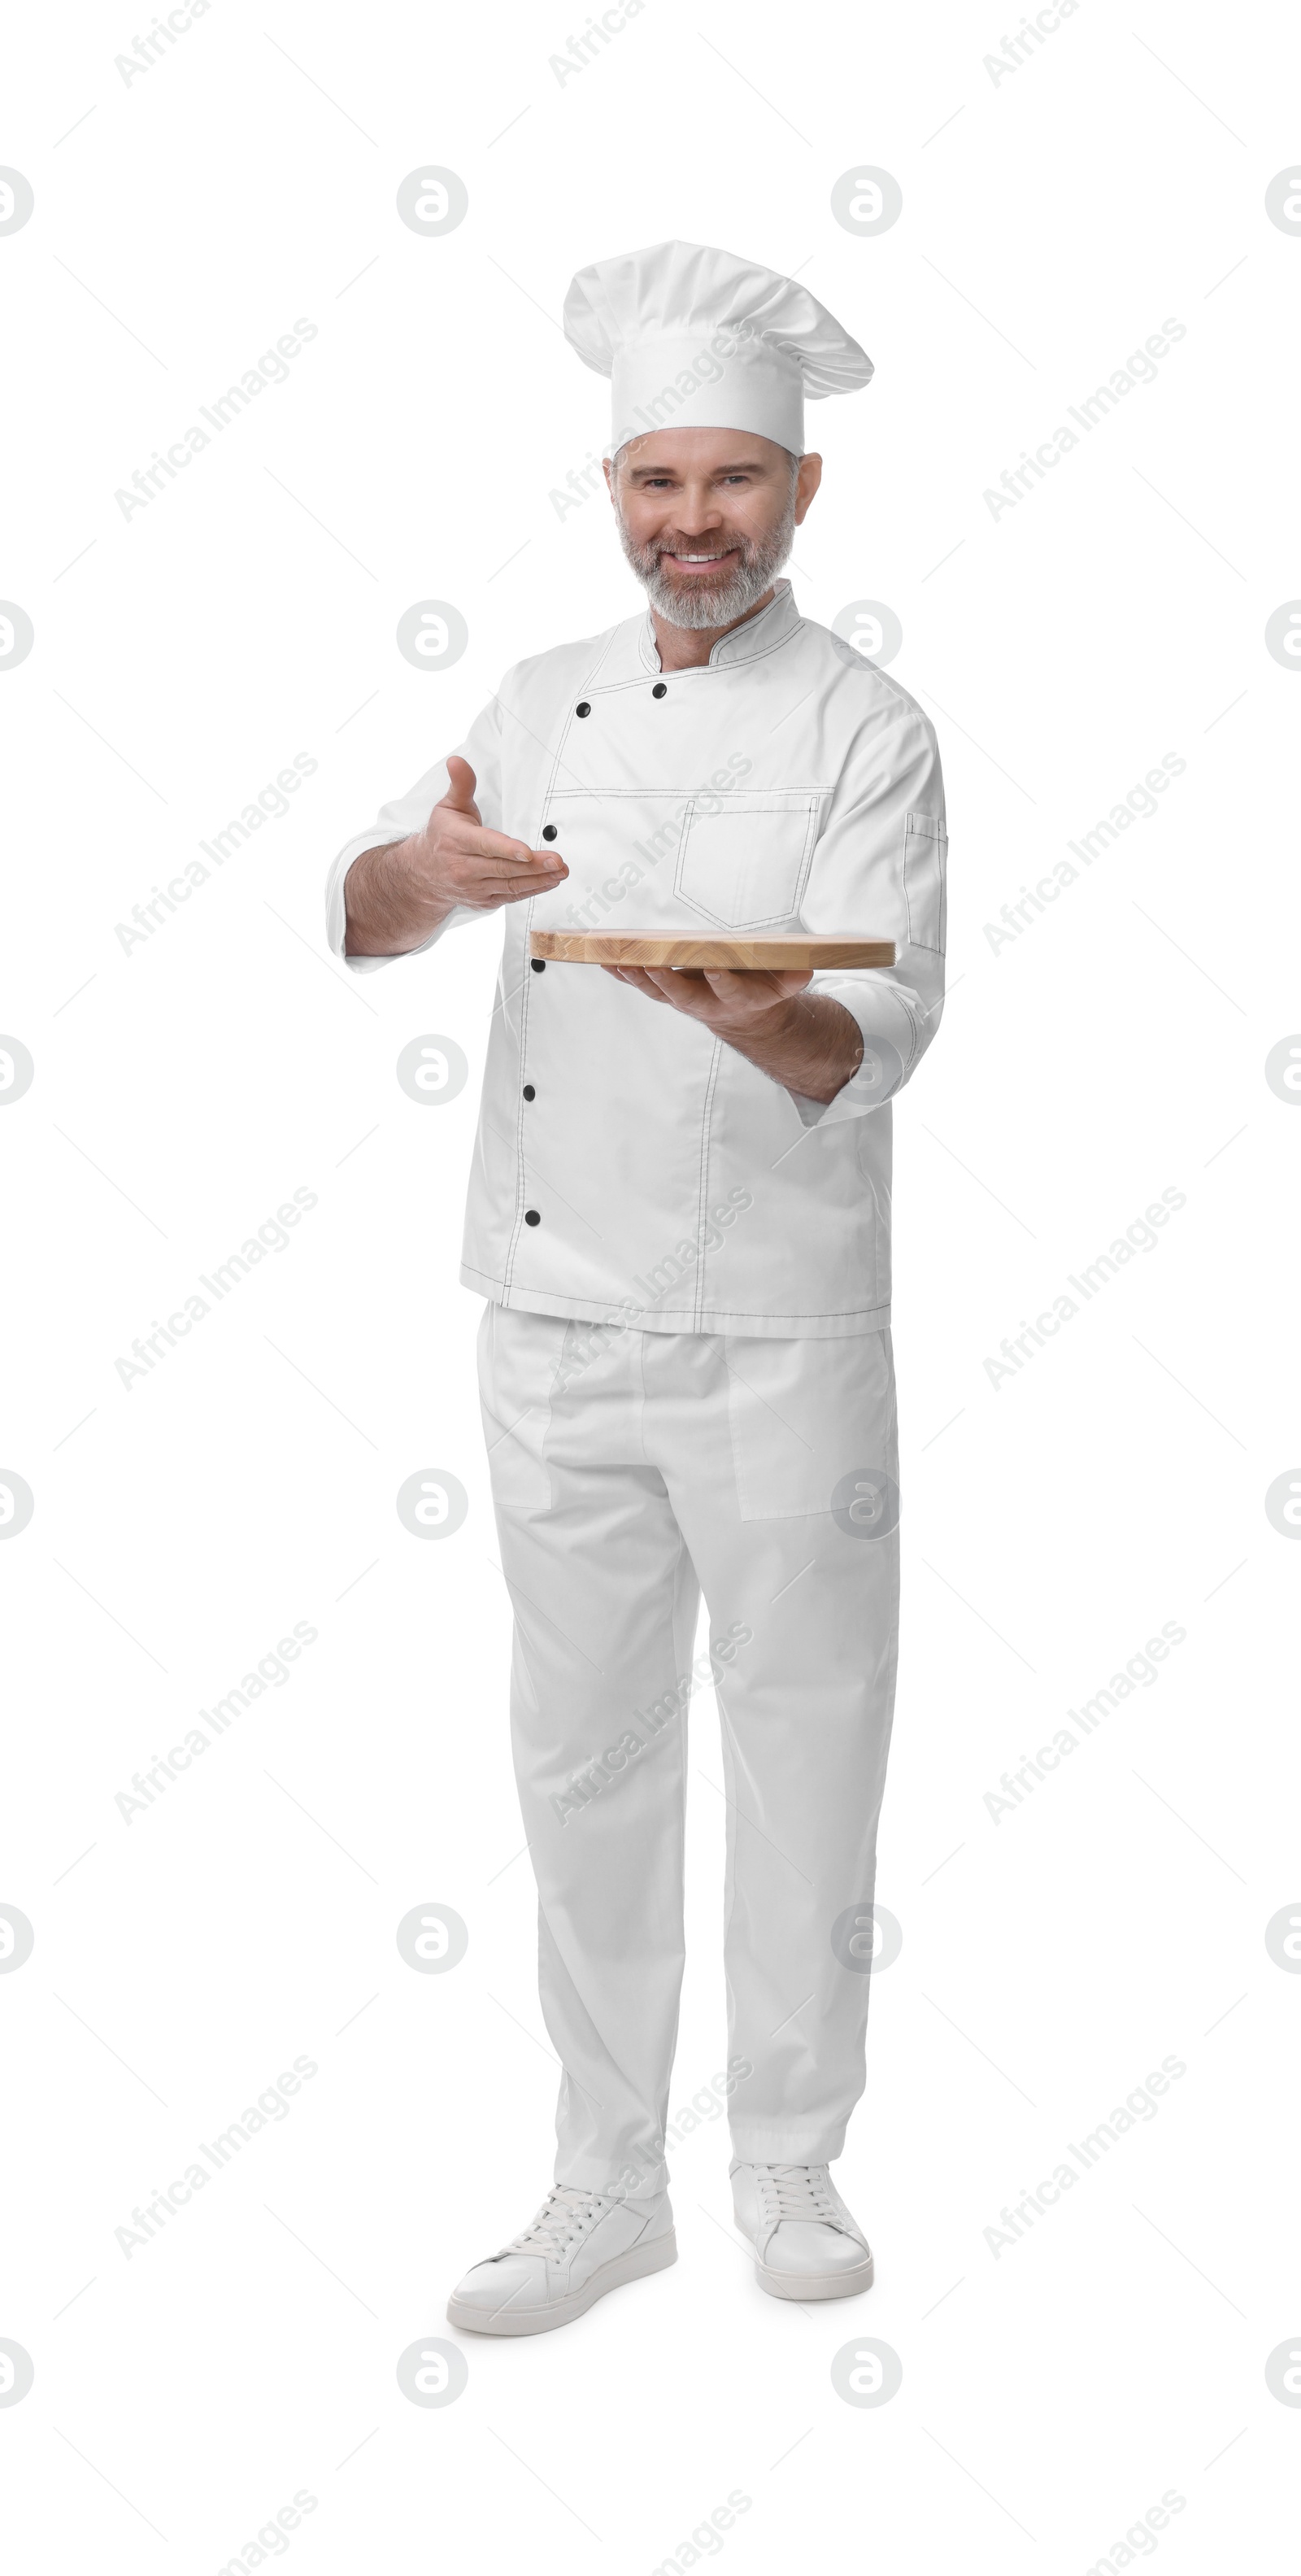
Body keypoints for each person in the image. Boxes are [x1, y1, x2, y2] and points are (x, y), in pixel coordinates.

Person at [324, 240, 947, 2335]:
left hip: (779, 1330)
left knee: (808, 1738)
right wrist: (423, 876)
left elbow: (869, 1038)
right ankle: (605, 2179)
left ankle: (791, 2160)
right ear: (611, 493)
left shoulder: (874, 729)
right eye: (656, 482)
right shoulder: (533, 697)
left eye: (735, 483)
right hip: (555, 1320)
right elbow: (367, 908)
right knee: (578, 1757)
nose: (695, 522)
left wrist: (734, 1002)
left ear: (802, 495)